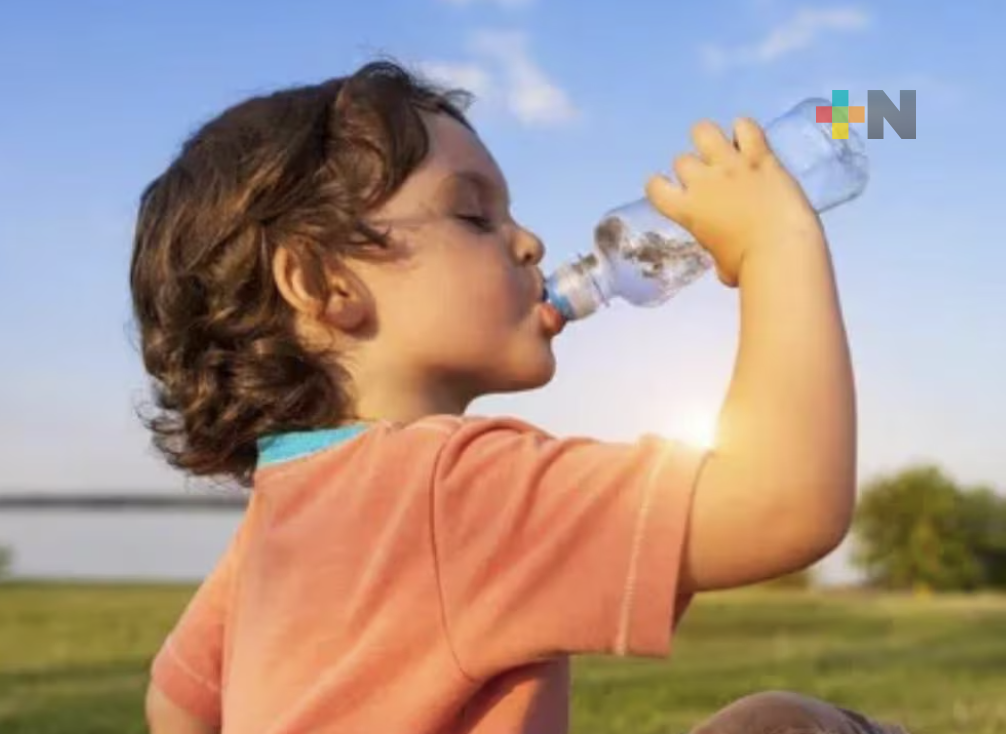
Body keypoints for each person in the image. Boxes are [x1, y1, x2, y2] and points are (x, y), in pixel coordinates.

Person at [132, 60, 899, 733]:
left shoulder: (281, 516)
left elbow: (178, 703)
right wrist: (776, 243)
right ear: (322, 283)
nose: (529, 242)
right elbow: (784, 505)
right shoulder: (450, 492)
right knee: (784, 728)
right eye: (473, 215)